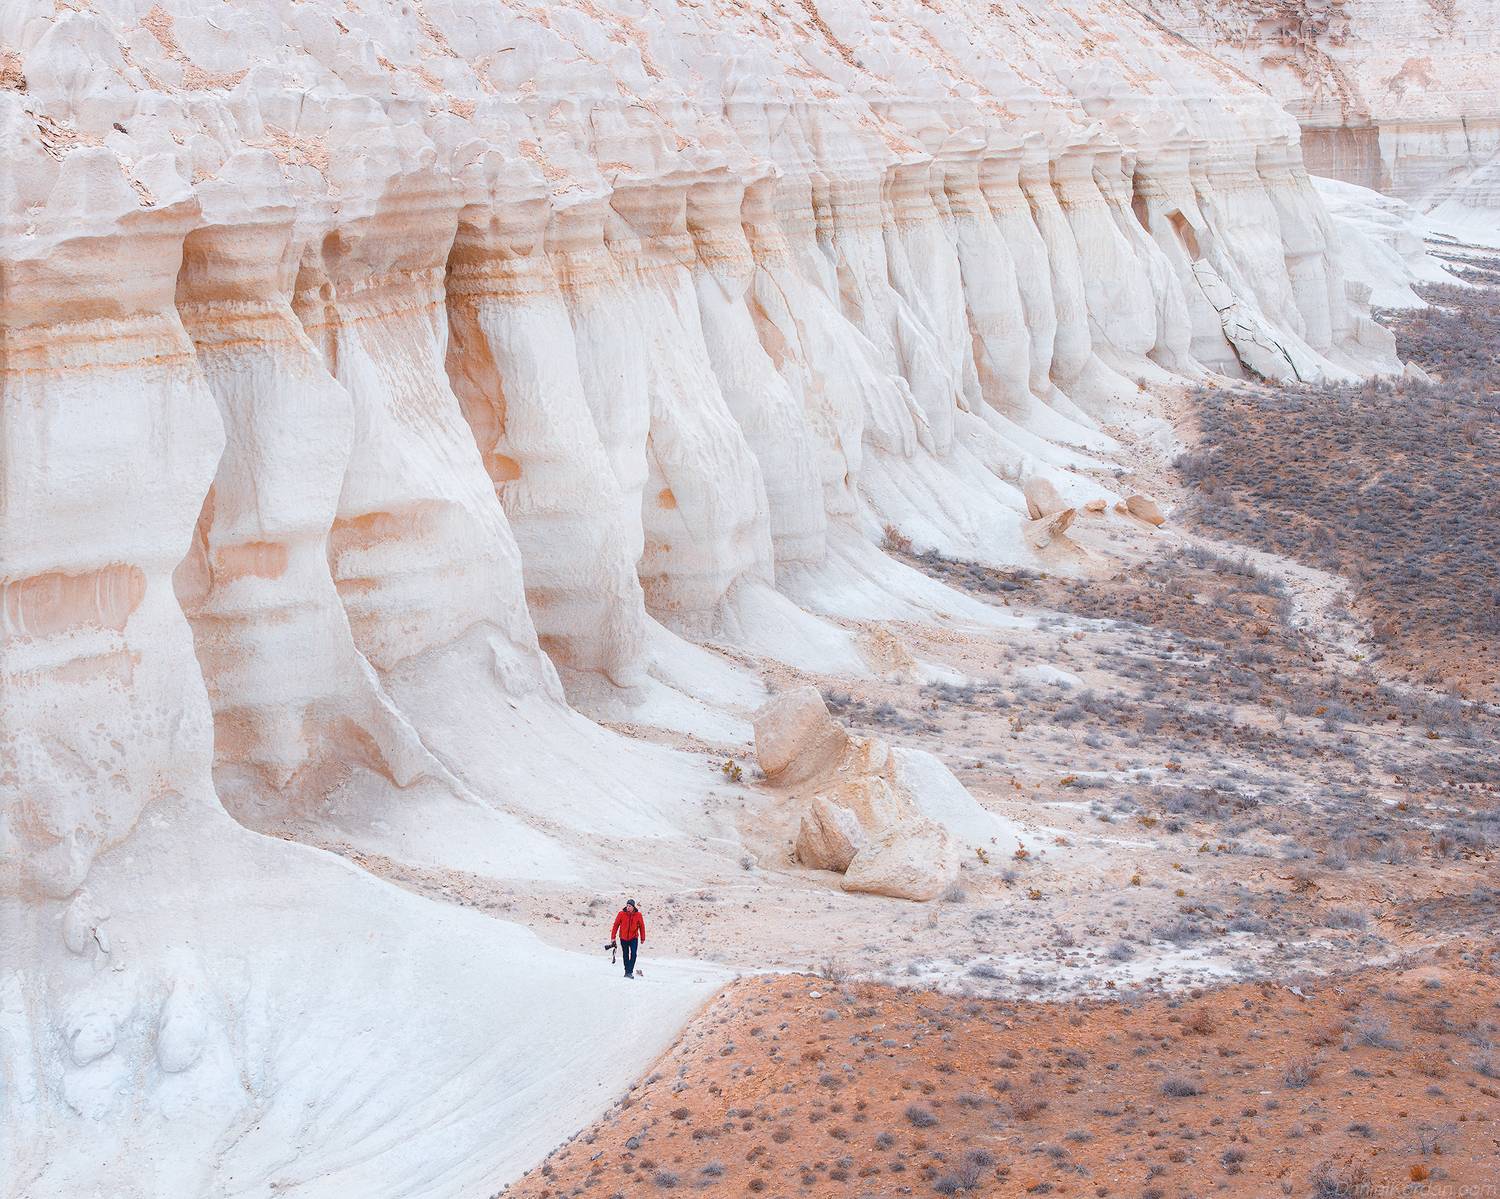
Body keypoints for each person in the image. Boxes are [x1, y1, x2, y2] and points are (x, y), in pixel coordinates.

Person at [610, 899, 646, 979]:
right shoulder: (621, 914)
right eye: (627, 906)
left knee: (633, 954)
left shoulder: (638, 915)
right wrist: (613, 937)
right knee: (625, 954)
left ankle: (630, 971)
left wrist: (643, 938)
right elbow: (615, 925)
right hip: (623, 938)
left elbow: (642, 926)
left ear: (633, 907)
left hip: (633, 938)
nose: (628, 907)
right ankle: (627, 972)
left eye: (630, 906)